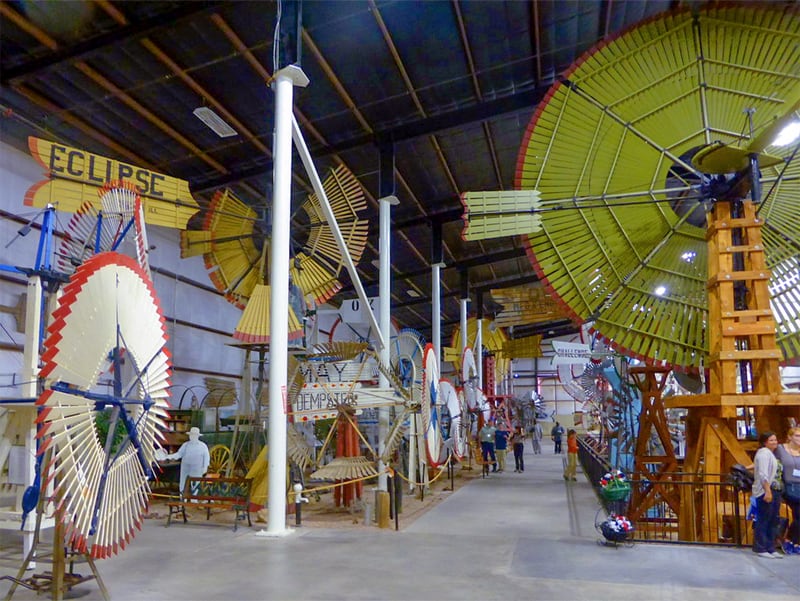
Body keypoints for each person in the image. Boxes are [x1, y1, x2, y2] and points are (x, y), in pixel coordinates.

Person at [752, 431, 784, 559]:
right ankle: (761, 547)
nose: (774, 442)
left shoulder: (770, 454)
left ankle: (770, 547)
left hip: (775, 489)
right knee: (764, 519)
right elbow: (763, 474)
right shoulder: (764, 454)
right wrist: (767, 491)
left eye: (775, 440)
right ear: (764, 442)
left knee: (772, 519)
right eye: (771, 440)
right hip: (766, 490)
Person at [774, 426, 800, 554]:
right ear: (790, 437)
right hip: (788, 485)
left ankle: (793, 541)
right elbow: (771, 462)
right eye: (797, 436)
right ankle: (790, 540)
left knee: (798, 516)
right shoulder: (780, 449)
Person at [165, 426, 210, 497]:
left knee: (195, 483)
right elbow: (179, 454)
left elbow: (207, 457)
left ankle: (194, 498)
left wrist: (205, 467)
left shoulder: (203, 446)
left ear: (197, 436)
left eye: (194, 435)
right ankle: (182, 497)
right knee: (183, 482)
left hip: (197, 468)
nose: (192, 437)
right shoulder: (185, 445)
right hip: (185, 467)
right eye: (191, 435)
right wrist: (168, 456)